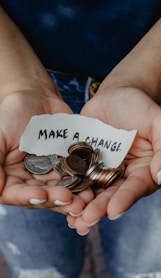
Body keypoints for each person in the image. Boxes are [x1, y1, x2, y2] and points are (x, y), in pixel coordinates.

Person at [0, 1, 161, 277]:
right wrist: (16, 86)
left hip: (151, 106)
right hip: (13, 87)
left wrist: (144, 78)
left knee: (142, 266)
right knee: (40, 267)